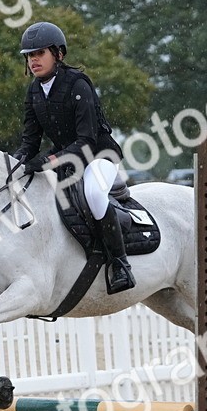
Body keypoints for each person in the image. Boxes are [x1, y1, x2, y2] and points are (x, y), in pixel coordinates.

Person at [11, 21, 134, 293]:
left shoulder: (78, 84)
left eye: (39, 53)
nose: (33, 60)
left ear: (58, 54)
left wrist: (47, 162)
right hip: (67, 160)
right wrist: (15, 163)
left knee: (93, 194)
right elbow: (30, 141)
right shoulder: (34, 91)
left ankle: (120, 263)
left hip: (98, 156)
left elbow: (86, 140)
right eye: (30, 55)